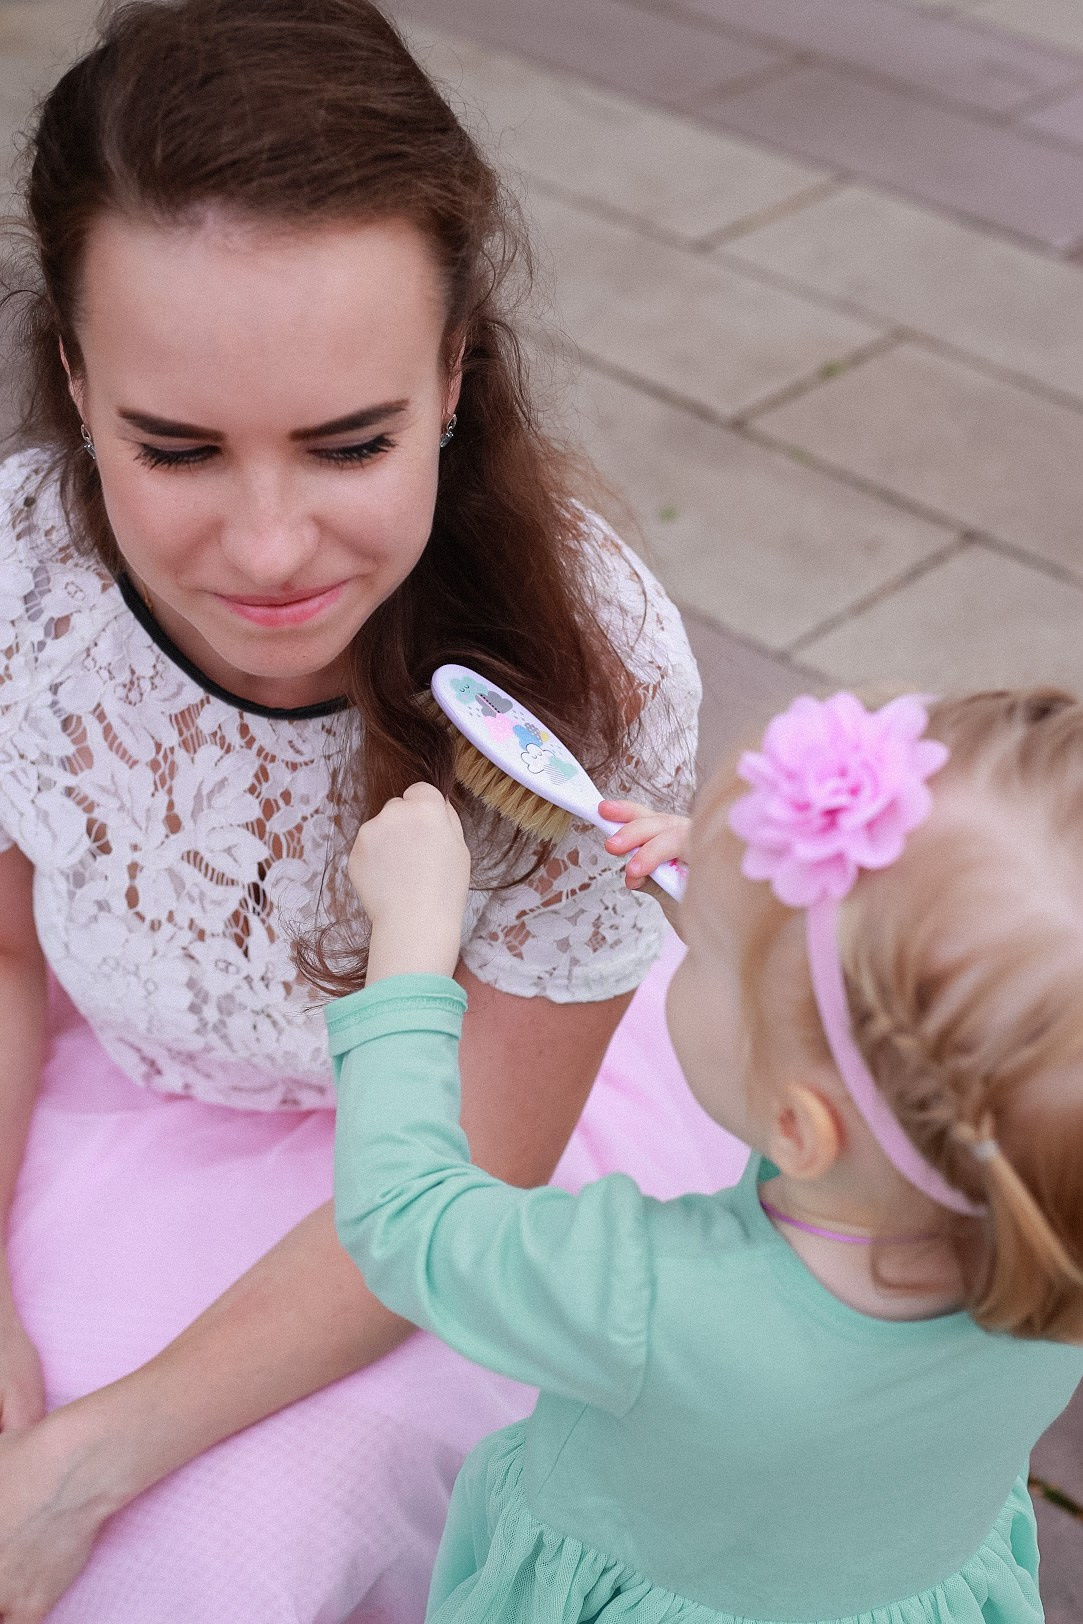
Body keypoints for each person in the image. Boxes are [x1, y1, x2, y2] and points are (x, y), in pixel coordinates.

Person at [0, 1, 747, 1618]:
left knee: (195, 1570)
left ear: (455, 371)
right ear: (72, 371)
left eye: (348, 441)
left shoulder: (587, 671)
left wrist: (87, 1459)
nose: (270, 550)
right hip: (92, 1106)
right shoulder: (21, 574)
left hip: (439, 1194)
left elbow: (470, 1168)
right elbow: (1, 947)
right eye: (176, 447)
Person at [330, 687, 1083, 1623]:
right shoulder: (1045, 1208)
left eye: (710, 957)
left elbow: (407, 1223)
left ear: (801, 1130)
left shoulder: (651, 1297)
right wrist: (759, 922)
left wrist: (407, 947)